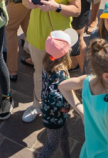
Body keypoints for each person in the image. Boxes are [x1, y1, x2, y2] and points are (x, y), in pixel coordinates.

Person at [23, 0, 82, 122]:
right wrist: (29, 3)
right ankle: (37, 104)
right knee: (39, 72)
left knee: (60, 73)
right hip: (37, 32)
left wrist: (56, 7)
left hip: (60, 37)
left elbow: (77, 10)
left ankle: (62, 104)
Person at [58, 39, 108, 158]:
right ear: (106, 76)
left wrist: (81, 110)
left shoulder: (87, 80)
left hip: (91, 150)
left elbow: (62, 86)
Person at [37, 29, 78, 158]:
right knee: (51, 145)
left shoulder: (47, 64)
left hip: (51, 113)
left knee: (64, 135)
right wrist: (67, 104)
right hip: (55, 116)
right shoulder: (60, 72)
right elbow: (55, 97)